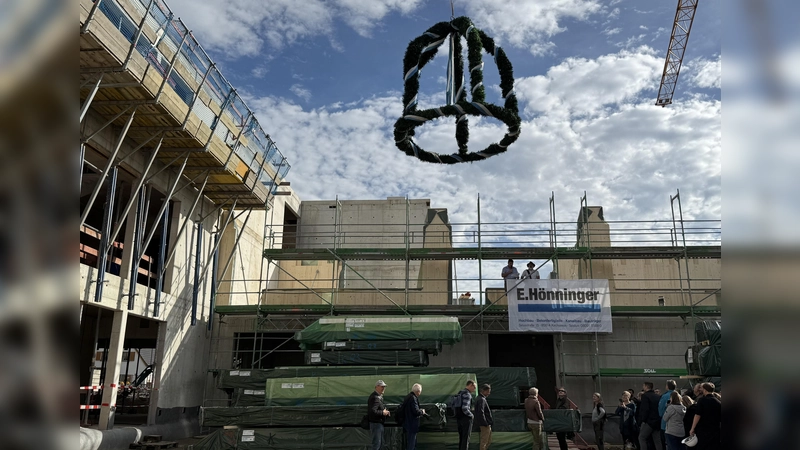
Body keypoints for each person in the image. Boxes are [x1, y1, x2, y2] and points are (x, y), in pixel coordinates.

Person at [688, 383, 721, 450]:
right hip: (715, 430)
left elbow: (697, 415)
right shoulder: (718, 402)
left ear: (705, 390)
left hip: (703, 429)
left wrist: (692, 428)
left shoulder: (702, 401)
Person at [638, 382, 664, 450]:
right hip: (657, 421)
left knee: (642, 437)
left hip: (649, 421)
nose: (643, 387)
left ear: (646, 387)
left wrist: (643, 420)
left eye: (643, 386)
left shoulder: (645, 396)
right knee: (657, 440)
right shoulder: (657, 396)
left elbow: (645, 409)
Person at [367, 380, 391, 450]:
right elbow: (372, 411)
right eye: (382, 387)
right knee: (377, 444)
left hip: (378, 424)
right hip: (376, 424)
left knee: (380, 444)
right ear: (376, 387)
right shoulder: (375, 397)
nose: (383, 388)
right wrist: (383, 412)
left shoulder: (378, 397)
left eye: (384, 387)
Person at [402, 383, 426, 450]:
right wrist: (422, 411)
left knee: (411, 442)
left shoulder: (408, 397)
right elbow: (416, 411)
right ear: (418, 392)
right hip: (412, 424)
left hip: (407, 423)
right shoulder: (413, 398)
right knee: (411, 443)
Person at [455, 380, 476, 450]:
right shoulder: (467, 394)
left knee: (461, 438)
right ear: (470, 385)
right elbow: (465, 408)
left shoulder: (460, 393)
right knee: (466, 438)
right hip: (466, 419)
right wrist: (471, 415)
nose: (474, 389)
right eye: (474, 387)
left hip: (459, 417)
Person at [658, 380, 677, 450]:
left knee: (666, 443)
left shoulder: (665, 396)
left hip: (666, 424)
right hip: (677, 425)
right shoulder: (678, 395)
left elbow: (661, 409)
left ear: (667, 386)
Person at [474, 384, 493, 450]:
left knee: (487, 441)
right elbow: (480, 412)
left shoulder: (479, 398)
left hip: (484, 423)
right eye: (488, 391)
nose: (489, 393)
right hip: (485, 424)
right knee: (484, 441)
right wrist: (485, 423)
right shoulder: (481, 399)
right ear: (483, 391)